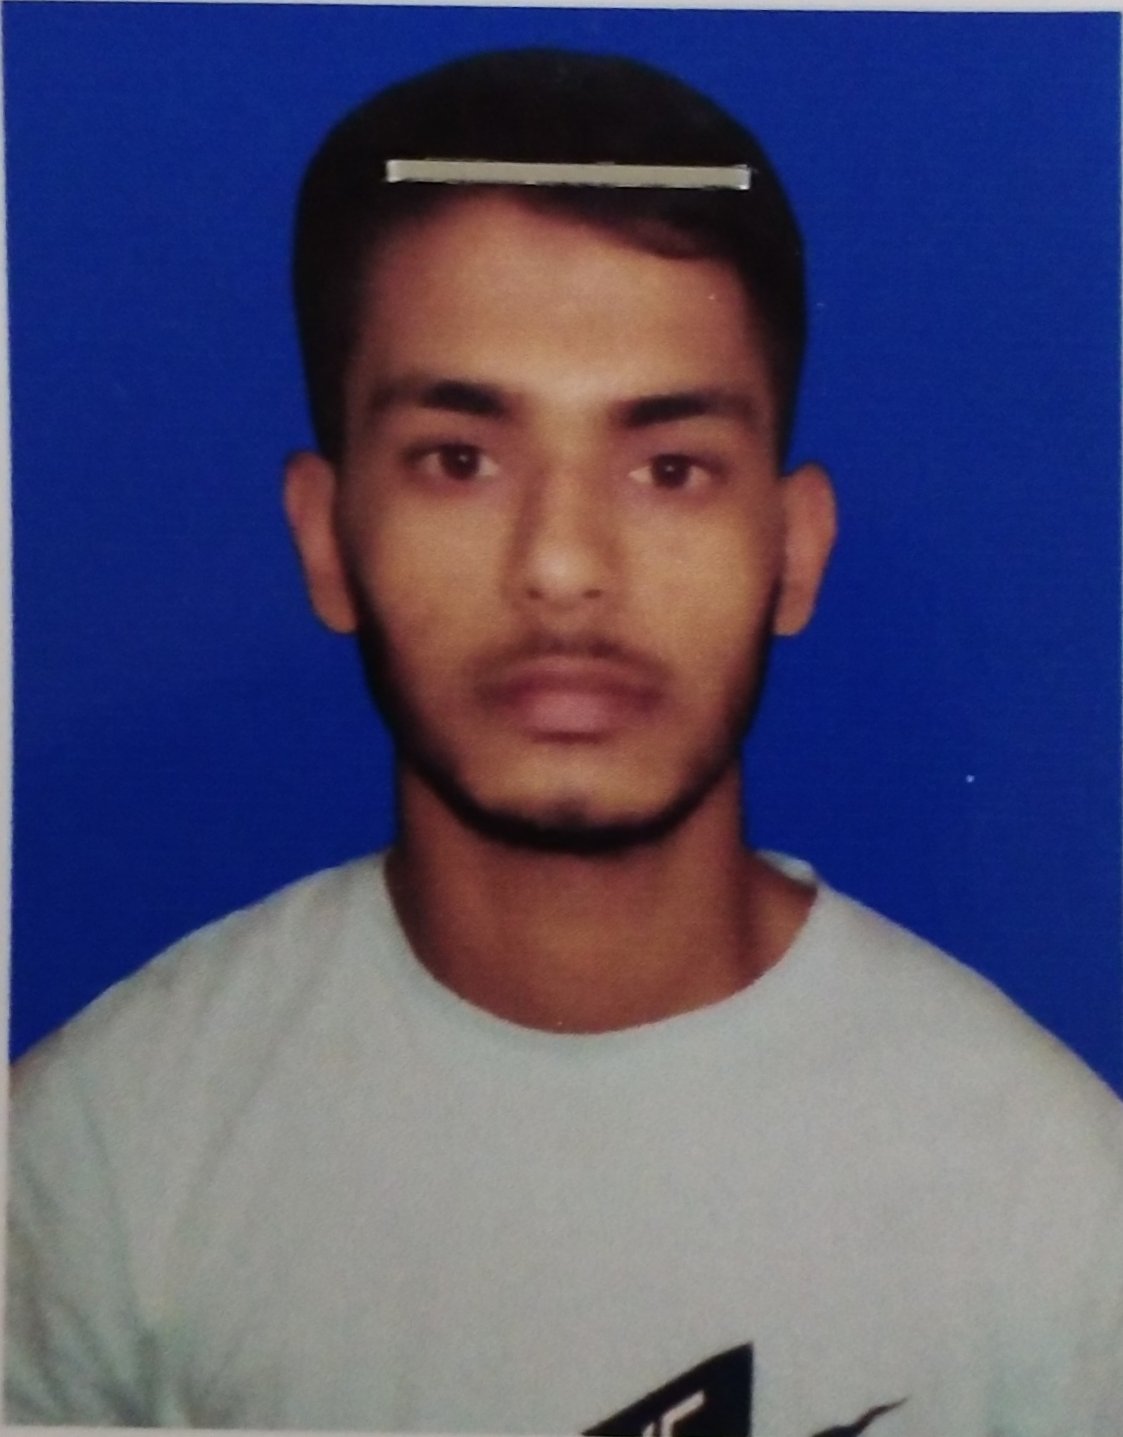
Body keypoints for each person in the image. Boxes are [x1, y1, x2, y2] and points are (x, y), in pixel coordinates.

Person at [5, 47, 1121, 1437]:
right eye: (460, 459)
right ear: (324, 536)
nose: (565, 565)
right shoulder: (93, 1168)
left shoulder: (1056, 1208)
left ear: (795, 548)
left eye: (670, 468)